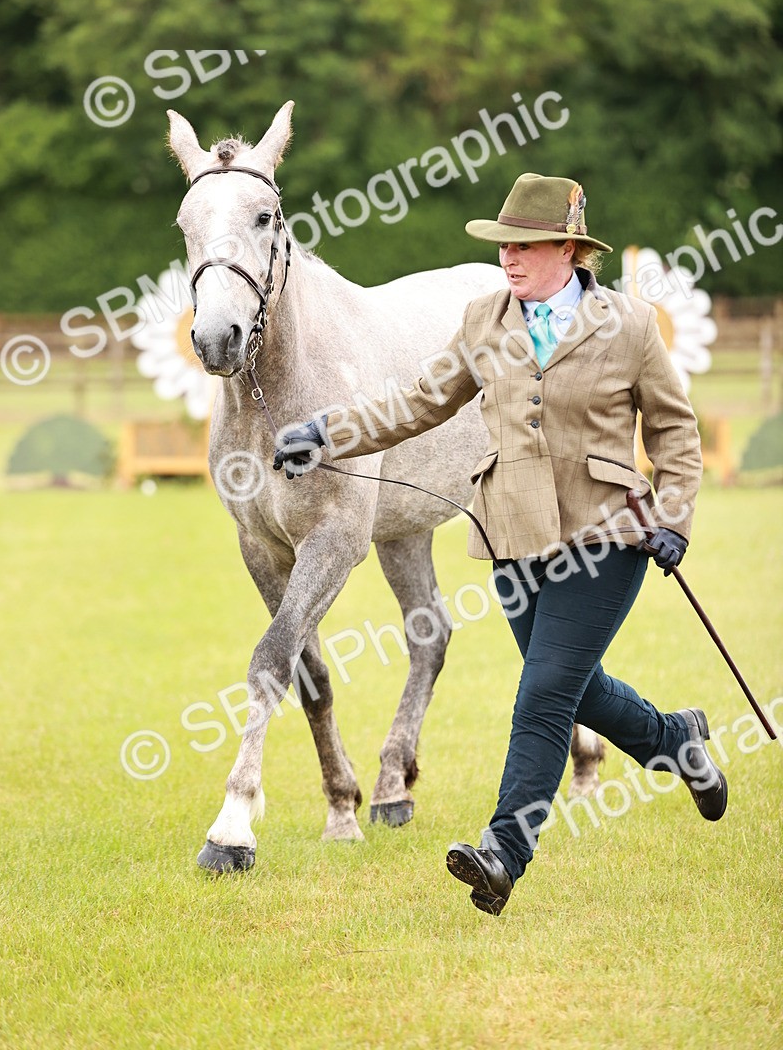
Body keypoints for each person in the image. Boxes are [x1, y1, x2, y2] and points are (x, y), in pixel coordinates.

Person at [273, 172, 727, 917]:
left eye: (523, 245)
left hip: (606, 534)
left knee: (545, 692)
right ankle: (674, 739)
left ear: (569, 250)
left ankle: (503, 853)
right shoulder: (484, 318)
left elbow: (675, 430)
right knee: (579, 687)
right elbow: (419, 402)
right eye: (504, 244)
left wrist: (673, 516)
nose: (508, 257)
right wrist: (328, 434)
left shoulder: (630, 325)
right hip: (510, 535)